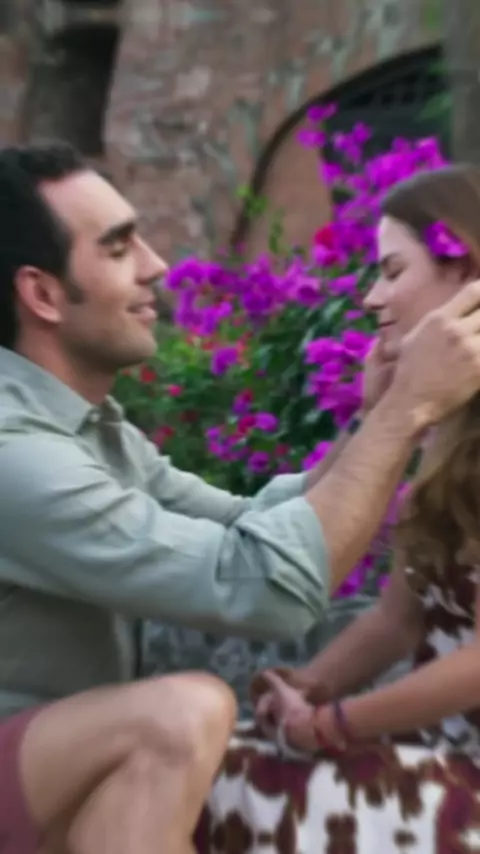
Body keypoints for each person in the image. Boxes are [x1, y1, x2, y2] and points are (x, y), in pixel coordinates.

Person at [0, 144, 479, 854]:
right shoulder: (15, 451)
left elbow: (247, 525)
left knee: (206, 767)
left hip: (58, 767)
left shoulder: (90, 432)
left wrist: (375, 419)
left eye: (390, 271)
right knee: (183, 718)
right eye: (119, 248)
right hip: (42, 771)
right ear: (42, 295)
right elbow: (258, 584)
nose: (157, 266)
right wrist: (404, 412)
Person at [201, 163, 480, 854]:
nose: (372, 296)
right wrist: (304, 689)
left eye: (392, 271)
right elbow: (395, 620)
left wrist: (334, 725)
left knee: (214, 786)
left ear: (465, 274)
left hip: (465, 783)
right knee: (204, 763)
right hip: (445, 760)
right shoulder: (453, 431)